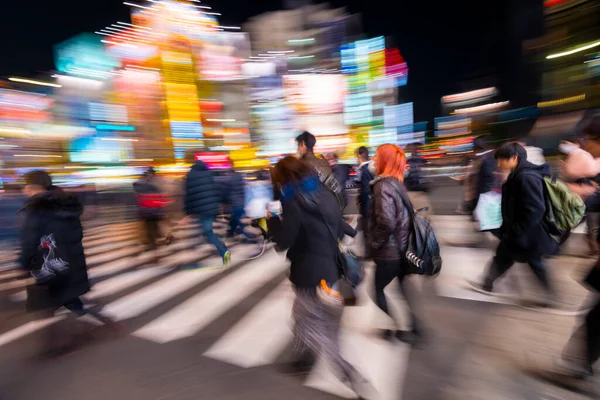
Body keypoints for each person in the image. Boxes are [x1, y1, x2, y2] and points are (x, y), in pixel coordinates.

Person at [266, 156, 370, 397]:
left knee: (319, 330)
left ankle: (349, 373)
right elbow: (339, 227)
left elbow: (284, 242)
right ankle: (302, 360)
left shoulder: (294, 201)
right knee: (303, 317)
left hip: (309, 274)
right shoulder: (325, 192)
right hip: (330, 270)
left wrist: (271, 222)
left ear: (285, 179)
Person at [19, 170, 118, 357]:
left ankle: (53, 347)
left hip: (48, 264)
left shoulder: (35, 209)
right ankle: (105, 322)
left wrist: (24, 264)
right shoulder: (65, 204)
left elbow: (29, 240)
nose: (24, 190)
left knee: (46, 304)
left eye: (26, 186)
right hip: (70, 261)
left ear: (33, 187)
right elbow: (76, 234)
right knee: (69, 299)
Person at [471, 143, 558, 306]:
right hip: (523, 232)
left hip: (526, 233)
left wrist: (518, 230)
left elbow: (536, 208)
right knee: (508, 258)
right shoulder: (521, 174)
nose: (498, 165)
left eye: (501, 160)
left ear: (514, 158)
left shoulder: (525, 177)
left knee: (526, 260)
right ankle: (487, 284)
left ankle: (551, 296)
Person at [370, 144, 425, 344]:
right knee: (402, 289)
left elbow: (386, 221)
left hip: (390, 252)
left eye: (377, 156)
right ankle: (416, 328)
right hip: (403, 248)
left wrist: (374, 243)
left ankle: (392, 328)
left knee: (376, 289)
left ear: (385, 160)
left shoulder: (382, 185)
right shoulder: (397, 182)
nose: (374, 160)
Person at [184, 159, 230, 265]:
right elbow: (216, 190)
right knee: (206, 232)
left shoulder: (190, 176)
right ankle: (221, 247)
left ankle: (223, 251)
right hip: (212, 208)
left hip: (201, 209)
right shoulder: (209, 174)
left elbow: (189, 195)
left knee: (207, 233)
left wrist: (188, 212)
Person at [296, 131, 345, 209]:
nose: (298, 149)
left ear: (303, 144)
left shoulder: (299, 166)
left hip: (310, 214)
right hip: (327, 210)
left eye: (298, 146)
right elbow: (337, 190)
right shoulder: (324, 163)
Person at [133, 168, 168, 252]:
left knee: (149, 227)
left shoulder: (138, 187)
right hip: (155, 211)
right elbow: (160, 198)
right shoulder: (155, 186)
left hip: (145, 211)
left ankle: (152, 243)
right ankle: (156, 241)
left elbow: (138, 200)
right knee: (154, 226)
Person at [356, 146, 375, 239]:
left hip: (367, 199)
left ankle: (367, 238)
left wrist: (360, 199)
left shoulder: (364, 169)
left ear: (361, 155)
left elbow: (364, 188)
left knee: (366, 221)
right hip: (373, 198)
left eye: (358, 156)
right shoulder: (373, 166)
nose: (357, 158)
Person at [221, 168, 246, 238]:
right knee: (235, 218)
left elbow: (226, 191)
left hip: (234, 202)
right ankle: (233, 231)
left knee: (234, 218)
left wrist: (224, 200)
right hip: (241, 201)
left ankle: (236, 231)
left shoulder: (229, 179)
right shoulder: (241, 178)